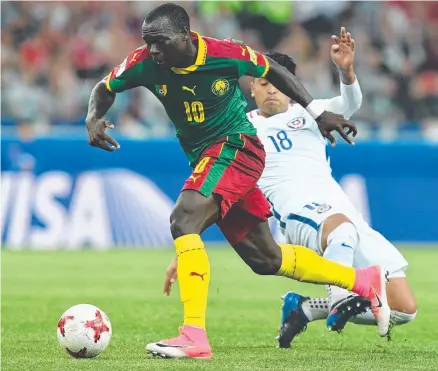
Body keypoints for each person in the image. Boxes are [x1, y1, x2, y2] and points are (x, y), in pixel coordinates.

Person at [85, 4, 388, 359]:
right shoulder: (145, 63)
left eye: (161, 42)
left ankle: (193, 335)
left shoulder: (223, 53)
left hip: (236, 147)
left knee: (183, 218)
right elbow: (104, 88)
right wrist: (93, 117)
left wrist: (316, 112)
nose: (153, 50)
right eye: (148, 42)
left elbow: (272, 69)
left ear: (185, 35)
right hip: (210, 160)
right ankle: (362, 280)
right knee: (266, 258)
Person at [246, 27, 416, 348]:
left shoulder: (312, 114)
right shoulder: (244, 128)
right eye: (264, 84)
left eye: (278, 85)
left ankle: (305, 308)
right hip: (294, 212)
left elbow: (350, 102)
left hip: (339, 210)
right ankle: (339, 297)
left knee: (404, 307)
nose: (272, 92)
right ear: (252, 87)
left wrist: (346, 70)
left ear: (292, 87)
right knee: (343, 232)